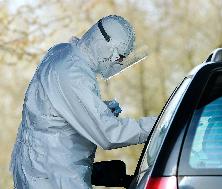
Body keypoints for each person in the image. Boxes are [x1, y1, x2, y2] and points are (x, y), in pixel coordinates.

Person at [10, 15, 156, 189]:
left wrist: (98, 109)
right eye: (119, 58)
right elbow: (109, 134)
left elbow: (54, 111)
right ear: (107, 49)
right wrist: (165, 122)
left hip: (39, 166)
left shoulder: (63, 53)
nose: (119, 63)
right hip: (54, 174)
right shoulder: (73, 74)